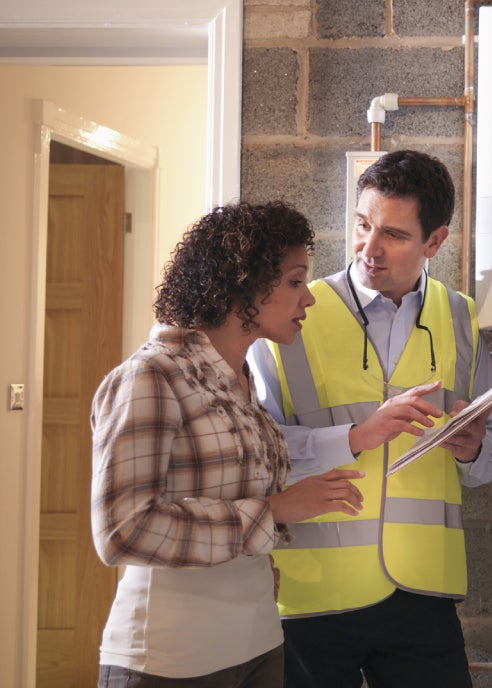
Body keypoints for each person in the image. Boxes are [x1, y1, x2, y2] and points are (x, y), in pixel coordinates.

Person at [249, 150, 492, 688]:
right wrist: (353, 437)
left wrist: (471, 449)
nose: (369, 248)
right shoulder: (293, 309)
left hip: (422, 595)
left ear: (434, 242)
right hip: (312, 594)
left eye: (392, 234)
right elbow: (258, 449)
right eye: (363, 225)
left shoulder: (461, 318)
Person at [91, 201, 367, 688]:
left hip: (259, 645)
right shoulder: (152, 376)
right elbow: (123, 530)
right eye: (295, 280)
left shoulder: (242, 382)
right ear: (245, 282)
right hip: (170, 659)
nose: (310, 299)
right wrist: (274, 511)